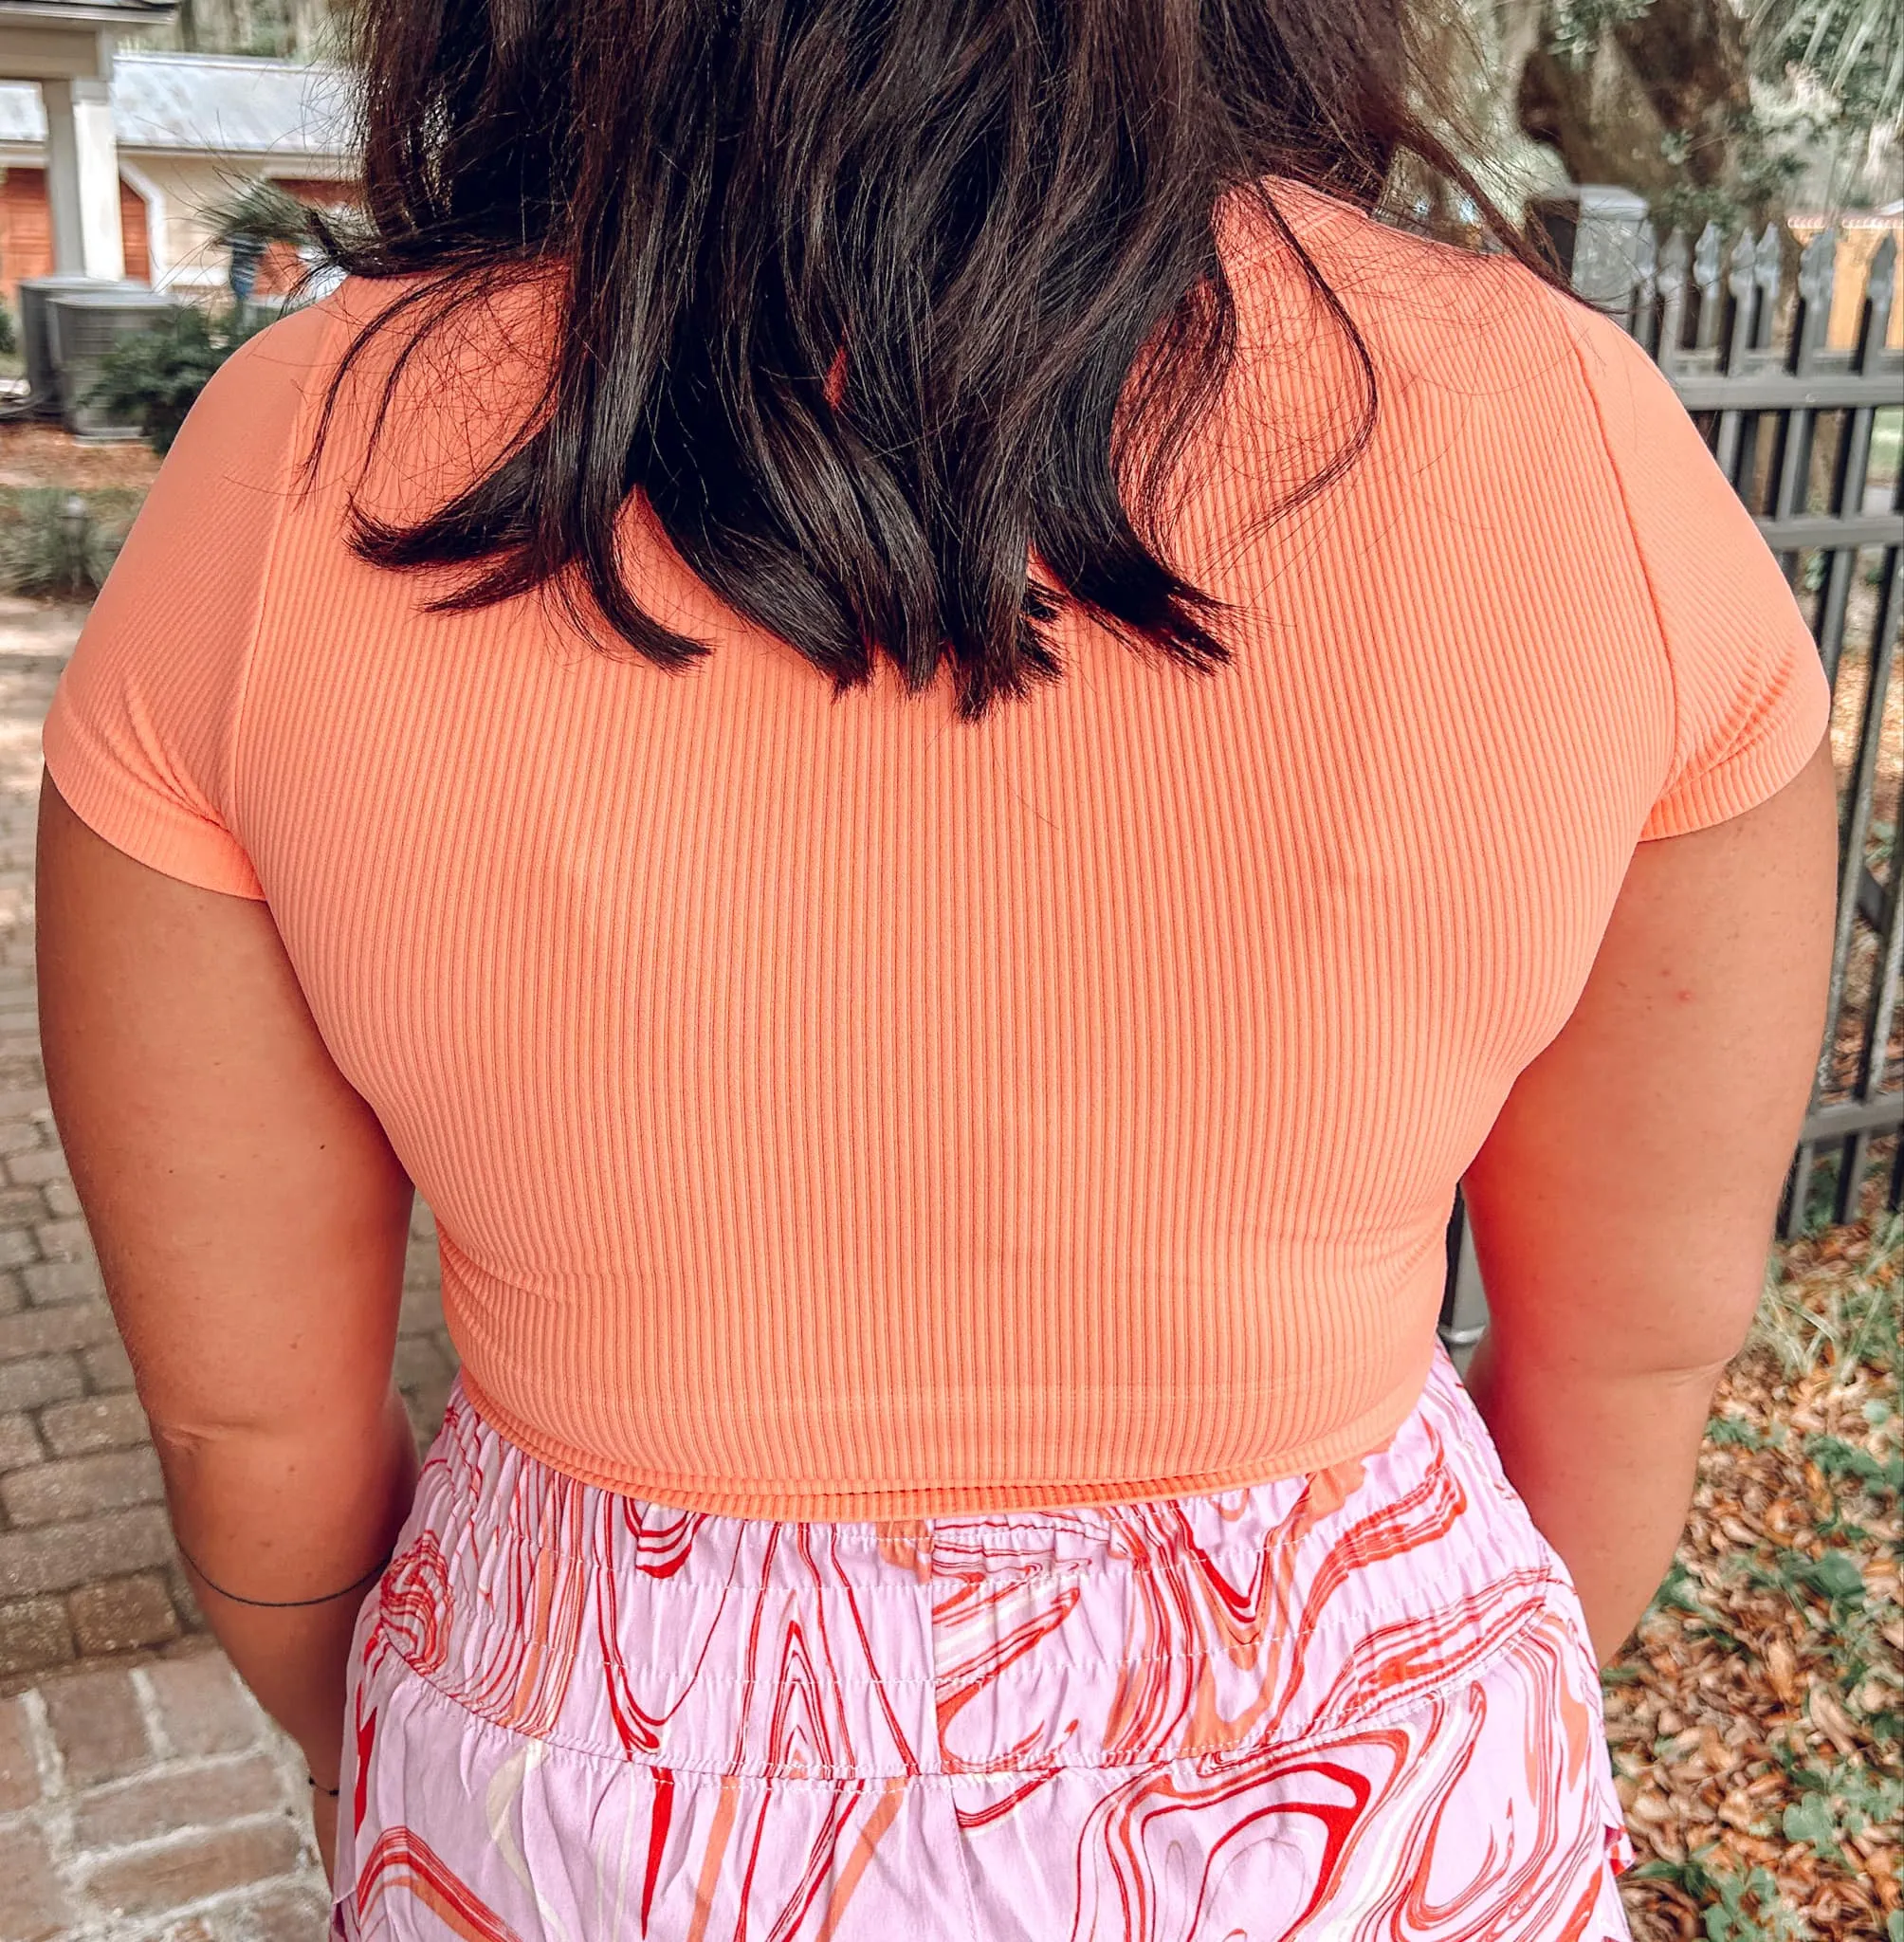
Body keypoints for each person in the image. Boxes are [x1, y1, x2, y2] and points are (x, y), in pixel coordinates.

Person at [32, 2, 1837, 1936]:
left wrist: (413, 1756)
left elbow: (254, 1437)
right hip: (1363, 1790)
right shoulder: (1568, 436)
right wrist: (1403, 1703)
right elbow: (1632, 1347)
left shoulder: (300, 460)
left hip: (588, 1789)